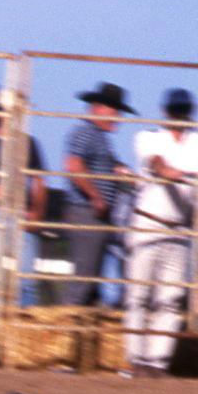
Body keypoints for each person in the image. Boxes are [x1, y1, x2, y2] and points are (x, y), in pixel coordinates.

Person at [120, 88, 198, 374]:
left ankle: (157, 361)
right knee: (139, 295)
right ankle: (136, 359)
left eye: (182, 111)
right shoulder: (149, 138)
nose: (179, 116)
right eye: (176, 111)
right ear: (167, 113)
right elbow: (156, 164)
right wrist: (178, 174)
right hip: (149, 222)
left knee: (169, 299)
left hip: (179, 229)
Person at [60, 84, 135, 313]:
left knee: (91, 278)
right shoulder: (85, 133)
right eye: (114, 112)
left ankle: (79, 321)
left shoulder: (99, 138)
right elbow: (73, 165)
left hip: (94, 213)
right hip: (88, 211)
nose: (118, 118)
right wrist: (97, 197)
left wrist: (121, 170)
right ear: (98, 108)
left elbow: (110, 165)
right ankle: (65, 321)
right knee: (84, 276)